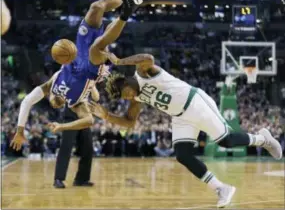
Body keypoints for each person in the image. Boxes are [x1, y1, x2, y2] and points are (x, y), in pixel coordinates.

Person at [90, 53, 283, 208]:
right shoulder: (136, 98)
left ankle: (262, 139)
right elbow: (129, 122)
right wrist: (106, 116)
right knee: (183, 155)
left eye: (126, 93)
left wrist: (118, 60)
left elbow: (148, 57)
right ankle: (222, 188)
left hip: (195, 102)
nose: (129, 97)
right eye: (125, 98)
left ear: (127, 82)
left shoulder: (143, 73)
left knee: (226, 140)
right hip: (180, 117)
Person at [10, 0, 143, 188]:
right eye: (56, 107)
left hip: (76, 52)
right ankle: (126, 12)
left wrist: (20, 130)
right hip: (90, 68)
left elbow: (28, 100)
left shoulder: (51, 84)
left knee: (96, 7)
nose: (54, 105)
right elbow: (89, 118)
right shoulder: (75, 103)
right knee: (97, 48)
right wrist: (62, 126)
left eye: (52, 104)